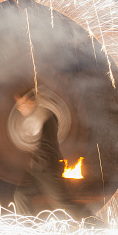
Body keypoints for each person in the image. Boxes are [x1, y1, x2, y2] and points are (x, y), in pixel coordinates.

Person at [12, 91, 85, 220]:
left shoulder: (46, 117)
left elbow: (47, 146)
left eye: (22, 103)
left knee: (62, 203)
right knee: (21, 195)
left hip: (48, 168)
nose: (19, 107)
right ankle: (28, 231)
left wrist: (40, 163)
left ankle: (98, 225)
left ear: (31, 101)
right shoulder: (36, 118)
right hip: (37, 169)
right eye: (17, 104)